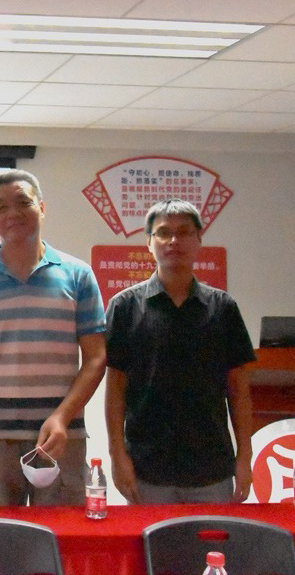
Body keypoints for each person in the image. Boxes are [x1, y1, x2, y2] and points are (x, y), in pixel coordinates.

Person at [0, 170, 107, 506]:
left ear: (42, 208)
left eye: (23, 202)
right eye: (1, 207)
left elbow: (96, 358)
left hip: (60, 436)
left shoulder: (77, 275)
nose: (13, 214)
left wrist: (62, 416)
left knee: (62, 534)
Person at [105, 199, 255, 504]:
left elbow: (239, 391)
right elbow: (115, 390)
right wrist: (117, 455)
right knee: (147, 539)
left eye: (184, 232)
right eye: (163, 233)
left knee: (213, 538)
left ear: (199, 239)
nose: (174, 241)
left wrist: (245, 457)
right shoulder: (124, 307)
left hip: (211, 469)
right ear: (149, 243)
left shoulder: (223, 308)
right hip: (146, 469)